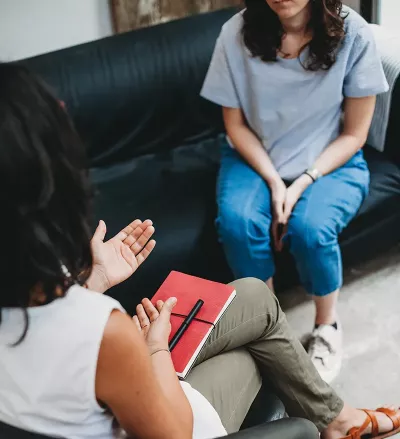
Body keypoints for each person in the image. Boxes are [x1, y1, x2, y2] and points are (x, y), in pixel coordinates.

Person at [0, 64, 399, 439]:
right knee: (261, 354)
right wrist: (153, 347)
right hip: (170, 421)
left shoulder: (27, 286)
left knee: (255, 297)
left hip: (111, 390)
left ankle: (338, 420)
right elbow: (171, 432)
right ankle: (336, 422)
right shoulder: (106, 332)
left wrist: (95, 281)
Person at [200, 0, 389, 383]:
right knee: (237, 224)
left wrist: (304, 180)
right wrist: (273, 180)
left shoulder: (354, 34)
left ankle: (327, 327)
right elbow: (234, 126)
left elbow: (355, 134)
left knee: (312, 230)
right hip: (255, 154)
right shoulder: (234, 34)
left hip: (330, 158)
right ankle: (269, 331)